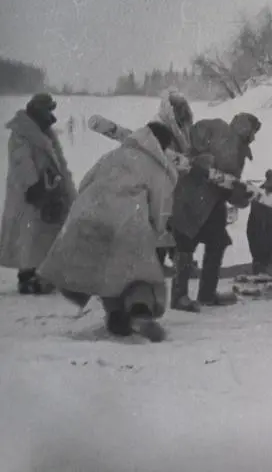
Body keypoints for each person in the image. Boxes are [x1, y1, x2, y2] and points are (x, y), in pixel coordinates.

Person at [36, 122, 178, 342]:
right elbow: (161, 207)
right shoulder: (156, 167)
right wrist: (156, 231)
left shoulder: (113, 155)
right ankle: (140, 313)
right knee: (140, 274)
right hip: (128, 220)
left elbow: (85, 182)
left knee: (105, 274)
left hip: (90, 214)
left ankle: (116, 316)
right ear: (161, 145)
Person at [169, 112, 260, 311]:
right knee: (187, 244)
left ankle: (205, 294)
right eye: (253, 132)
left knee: (214, 243)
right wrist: (198, 160)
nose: (253, 137)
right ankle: (181, 297)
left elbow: (227, 182)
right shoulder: (223, 135)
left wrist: (240, 196)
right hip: (193, 198)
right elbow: (225, 179)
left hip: (206, 201)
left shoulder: (230, 140)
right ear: (246, 128)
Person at [0, 94, 77, 294]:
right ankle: (26, 277)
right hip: (29, 194)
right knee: (29, 235)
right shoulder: (21, 134)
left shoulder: (47, 133)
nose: (51, 115)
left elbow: (61, 164)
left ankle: (41, 273)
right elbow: (22, 162)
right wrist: (33, 186)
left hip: (49, 189)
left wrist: (70, 192)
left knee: (43, 234)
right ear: (37, 110)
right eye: (48, 110)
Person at [151, 89, 195, 269]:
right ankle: (156, 264)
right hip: (161, 184)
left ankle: (180, 261)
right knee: (163, 225)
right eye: (179, 108)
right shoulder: (157, 126)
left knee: (179, 224)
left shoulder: (181, 127)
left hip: (178, 182)